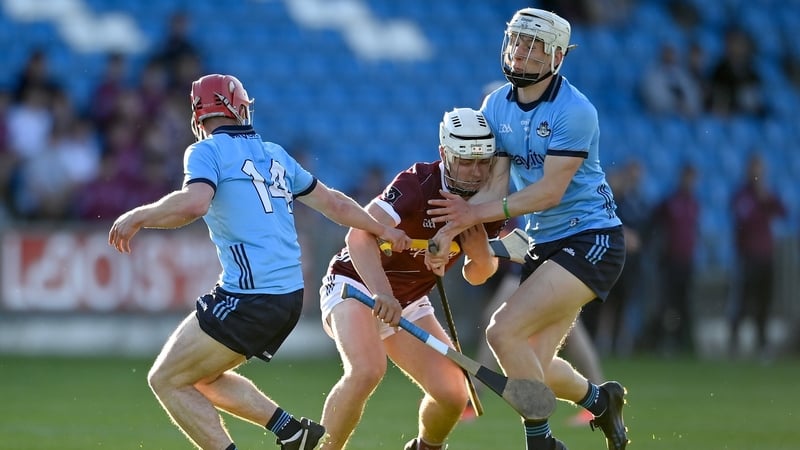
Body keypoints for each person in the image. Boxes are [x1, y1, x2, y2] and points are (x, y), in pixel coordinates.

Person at [107, 73, 410, 450]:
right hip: (287, 297)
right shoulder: (275, 153)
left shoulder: (205, 151)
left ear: (199, 114)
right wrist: (383, 229)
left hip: (251, 294)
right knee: (201, 375)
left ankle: (276, 435)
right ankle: (291, 431)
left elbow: (194, 203)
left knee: (166, 379)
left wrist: (139, 215)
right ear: (238, 107)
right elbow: (334, 203)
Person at [425, 9, 629, 450]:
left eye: (535, 45)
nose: (522, 51)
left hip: (589, 239)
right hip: (543, 243)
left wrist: (475, 217)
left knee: (501, 331)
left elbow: (549, 193)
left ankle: (541, 440)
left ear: (557, 56)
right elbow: (495, 187)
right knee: (531, 363)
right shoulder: (495, 105)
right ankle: (602, 400)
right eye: (518, 40)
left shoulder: (574, 111)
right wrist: (447, 235)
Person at [317, 108, 505, 450]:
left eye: (483, 163)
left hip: (410, 300)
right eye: (465, 161)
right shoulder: (418, 184)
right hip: (356, 284)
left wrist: (481, 255)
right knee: (366, 371)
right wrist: (383, 293)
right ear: (445, 153)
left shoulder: (485, 203)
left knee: (452, 395)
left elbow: (479, 276)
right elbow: (357, 237)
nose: (476, 173)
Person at [729, 153, 786, 358]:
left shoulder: (767, 195)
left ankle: (762, 343)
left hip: (766, 255)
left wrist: (766, 198)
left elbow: (783, 211)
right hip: (747, 256)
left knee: (764, 302)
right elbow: (743, 218)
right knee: (743, 301)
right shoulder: (742, 195)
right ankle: (734, 342)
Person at [643, 164, 700, 356]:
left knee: (685, 303)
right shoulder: (670, 202)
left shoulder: (694, 203)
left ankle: (682, 342)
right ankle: (661, 342)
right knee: (667, 303)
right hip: (669, 261)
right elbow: (652, 223)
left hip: (687, 261)